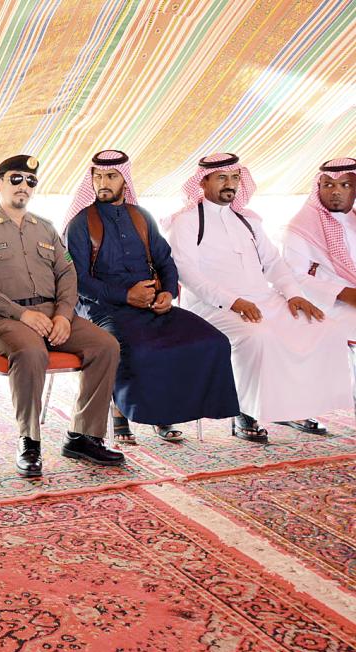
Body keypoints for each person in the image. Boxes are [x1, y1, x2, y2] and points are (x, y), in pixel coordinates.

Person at [166, 153, 351, 441]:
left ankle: (293, 407)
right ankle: (244, 412)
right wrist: (234, 302)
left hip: (263, 299)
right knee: (258, 335)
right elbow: (187, 273)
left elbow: (274, 262)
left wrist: (293, 295)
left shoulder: (247, 220)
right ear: (202, 182)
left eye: (234, 177)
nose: (230, 184)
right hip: (211, 306)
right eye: (222, 178)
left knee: (324, 328)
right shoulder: (187, 222)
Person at [0, 154, 123, 477]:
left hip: (52, 314)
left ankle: (83, 436)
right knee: (31, 352)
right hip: (5, 318)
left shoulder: (46, 228)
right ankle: (29, 441)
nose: (24, 186)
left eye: (30, 181)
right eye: (15, 179)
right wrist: (22, 314)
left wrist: (63, 315)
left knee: (106, 345)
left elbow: (67, 274)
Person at [64, 150, 238, 444]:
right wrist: (126, 296)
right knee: (137, 349)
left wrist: (167, 293)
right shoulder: (81, 223)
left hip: (151, 304)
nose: (103, 183)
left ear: (125, 180)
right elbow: (78, 281)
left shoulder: (141, 217)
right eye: (98, 177)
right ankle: (119, 412)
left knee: (213, 341)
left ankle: (167, 409)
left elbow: (166, 261)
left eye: (111, 176)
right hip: (101, 309)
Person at [282, 157, 356, 333]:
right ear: (319, 188)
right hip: (330, 303)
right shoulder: (302, 227)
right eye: (328, 185)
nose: (336, 191)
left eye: (345, 185)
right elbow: (294, 277)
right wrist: (346, 294)